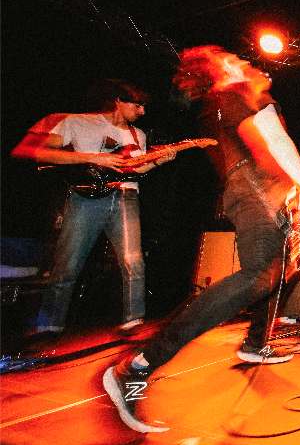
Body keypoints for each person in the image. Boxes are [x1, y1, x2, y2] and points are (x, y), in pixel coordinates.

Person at [102, 46, 300, 433]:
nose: (246, 63)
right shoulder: (237, 93)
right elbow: (268, 137)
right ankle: (138, 364)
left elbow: (263, 143)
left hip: (261, 191)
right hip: (256, 191)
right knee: (258, 276)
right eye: (234, 60)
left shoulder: (224, 102)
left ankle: (253, 343)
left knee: (276, 272)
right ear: (219, 72)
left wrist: (290, 194)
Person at [11, 80, 177, 343]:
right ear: (119, 102)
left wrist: (158, 160)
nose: (142, 112)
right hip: (85, 198)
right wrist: (92, 157)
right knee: (68, 263)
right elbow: (38, 153)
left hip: (126, 195)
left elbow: (135, 168)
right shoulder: (76, 122)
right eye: (138, 105)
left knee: (133, 260)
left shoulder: (138, 135)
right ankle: (48, 326)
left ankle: (133, 322)